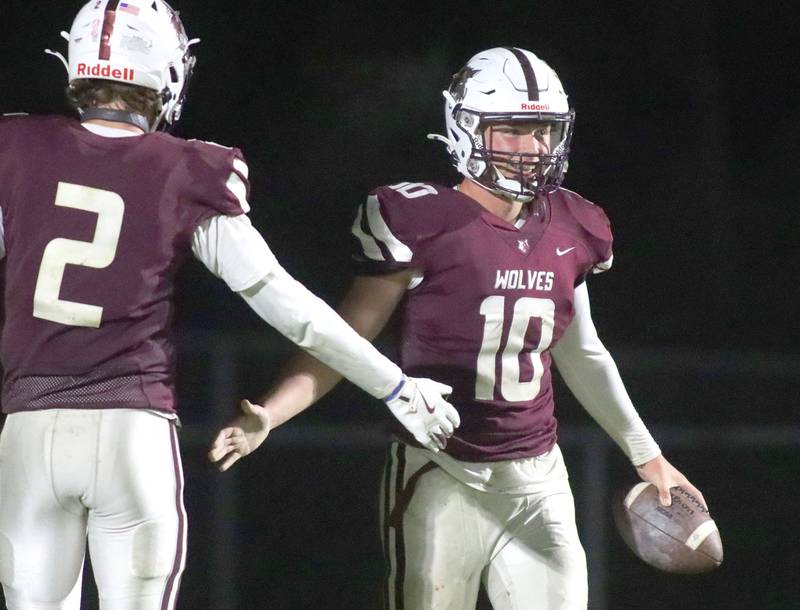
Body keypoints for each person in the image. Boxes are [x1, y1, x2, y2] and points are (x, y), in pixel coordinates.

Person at [208, 47, 707, 609]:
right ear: (466, 129)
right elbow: (345, 340)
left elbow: (583, 353)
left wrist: (647, 455)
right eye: (513, 131)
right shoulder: (420, 220)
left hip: (538, 480)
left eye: (544, 131)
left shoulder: (574, 222)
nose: (534, 148)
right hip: (441, 471)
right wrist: (272, 412)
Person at [0, 2, 460, 609]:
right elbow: (285, 301)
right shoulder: (187, 169)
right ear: (165, 68)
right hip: (130, 436)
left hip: (26, 434)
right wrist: (395, 386)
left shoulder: (16, 146)